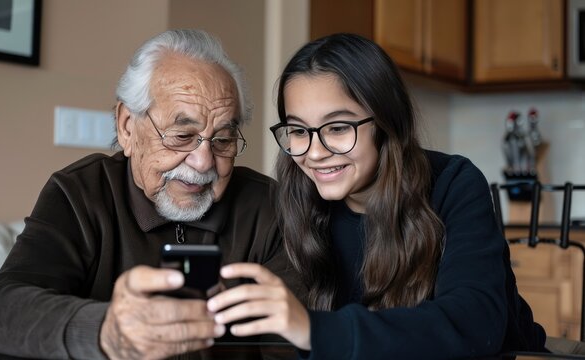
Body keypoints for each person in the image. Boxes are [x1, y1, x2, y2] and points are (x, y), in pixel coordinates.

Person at [206, 33, 547, 358]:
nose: (314, 152)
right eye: (298, 131)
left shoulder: (454, 183)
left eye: (338, 128)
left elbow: (476, 322)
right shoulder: (297, 201)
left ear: (387, 123)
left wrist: (315, 329)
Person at [0, 29, 303, 360]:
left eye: (222, 140)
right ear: (127, 127)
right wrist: (107, 332)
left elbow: (287, 346)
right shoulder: (81, 193)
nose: (204, 162)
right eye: (182, 135)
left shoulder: (268, 207)